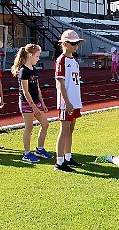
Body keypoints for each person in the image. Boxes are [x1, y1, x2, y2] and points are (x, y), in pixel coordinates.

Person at [11, 44, 53, 163]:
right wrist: (33, 107)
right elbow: (25, 91)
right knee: (29, 128)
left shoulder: (34, 69)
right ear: (30, 55)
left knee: (45, 124)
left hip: (36, 103)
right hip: (27, 103)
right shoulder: (23, 71)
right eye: (37, 56)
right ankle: (26, 153)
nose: (38, 58)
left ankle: (39, 149)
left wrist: (42, 103)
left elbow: (37, 87)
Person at [54, 29, 85, 172]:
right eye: (73, 43)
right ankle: (59, 162)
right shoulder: (61, 60)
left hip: (74, 101)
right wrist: (66, 102)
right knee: (64, 130)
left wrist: (75, 102)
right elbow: (60, 83)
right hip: (66, 102)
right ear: (65, 44)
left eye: (77, 43)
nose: (76, 46)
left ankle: (68, 157)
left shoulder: (74, 61)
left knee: (70, 130)